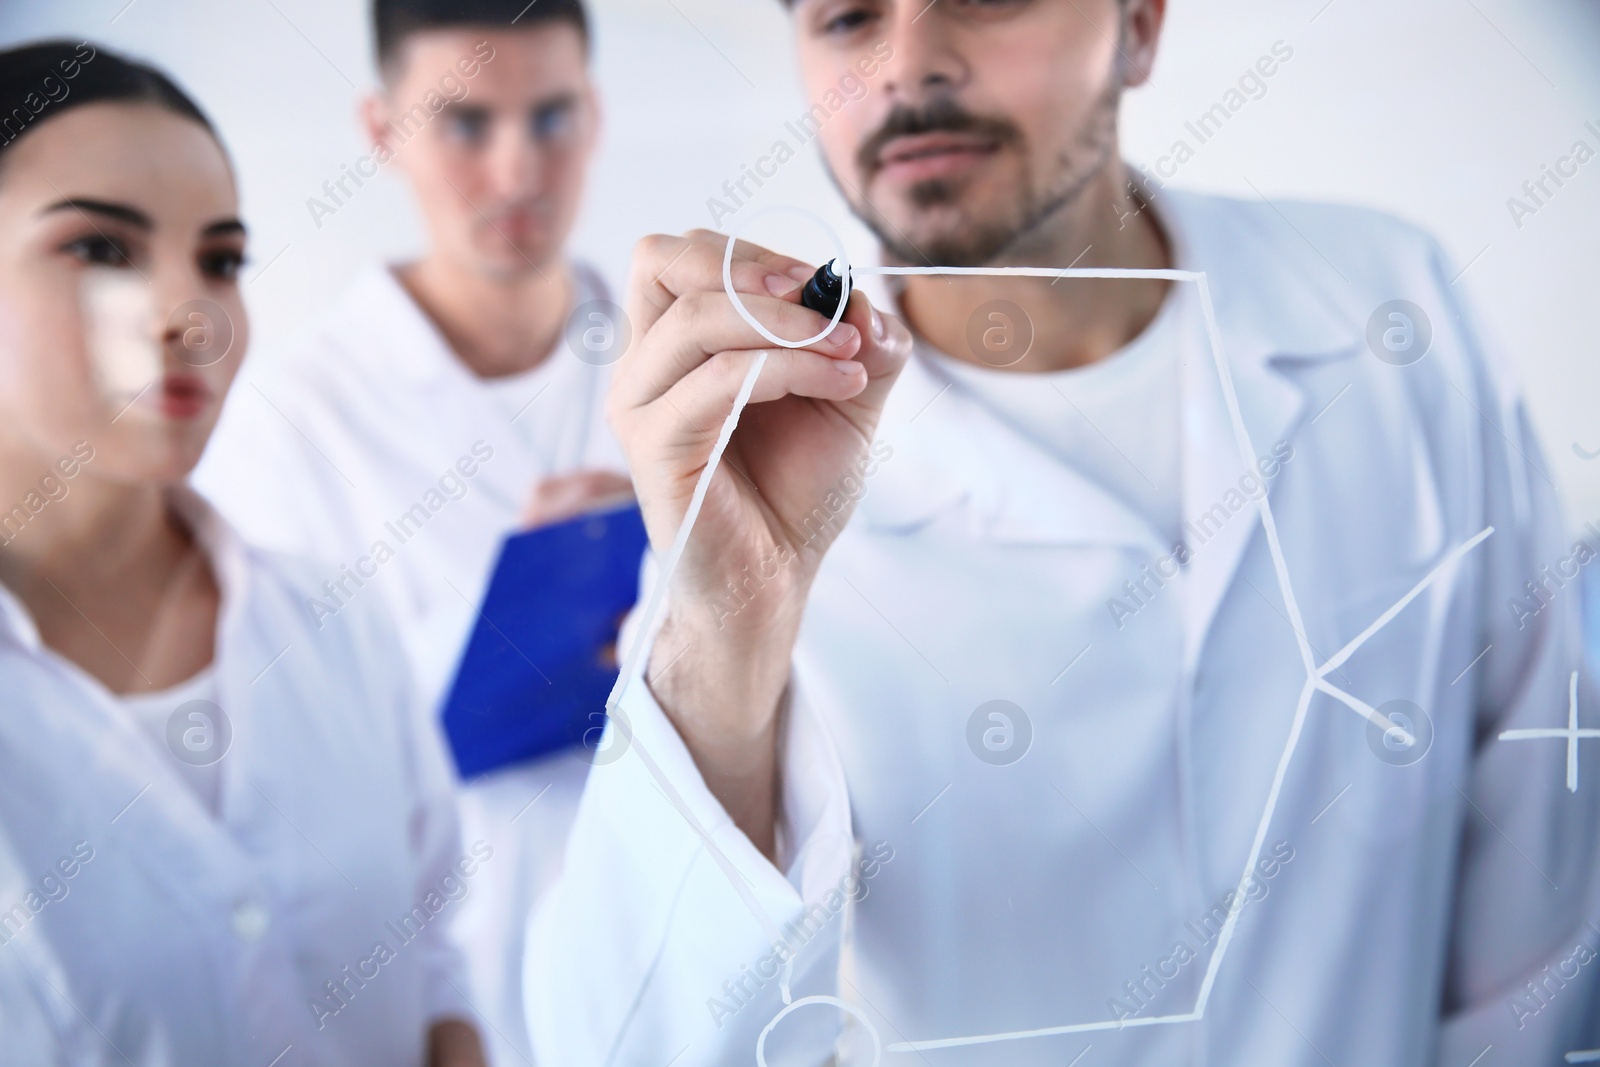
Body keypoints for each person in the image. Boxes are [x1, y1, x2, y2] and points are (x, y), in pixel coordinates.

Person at [524, 1, 1600, 1064]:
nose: (909, 64)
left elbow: (1536, 871)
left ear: (1138, 25)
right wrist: (723, 626)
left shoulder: (1388, 306)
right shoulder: (750, 463)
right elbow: (632, 1043)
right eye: (849, 17)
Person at [0, 41, 484, 1067]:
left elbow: (439, 958)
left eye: (220, 259)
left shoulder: (331, 616)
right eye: (101, 248)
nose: (191, 314)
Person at [192, 2, 624, 1060]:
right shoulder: (290, 421)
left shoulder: (666, 365)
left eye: (552, 117)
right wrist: (531, 619)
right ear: (382, 131)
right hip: (450, 982)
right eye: (467, 124)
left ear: (596, 114)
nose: (519, 171)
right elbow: (260, 762)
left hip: (663, 946)